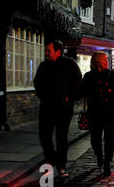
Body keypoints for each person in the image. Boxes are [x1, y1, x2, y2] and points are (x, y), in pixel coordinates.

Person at [34, 40, 82, 178]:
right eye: (46, 51)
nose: (46, 53)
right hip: (47, 108)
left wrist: (69, 97)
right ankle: (53, 159)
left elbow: (78, 83)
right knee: (44, 137)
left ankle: (61, 165)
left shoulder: (70, 64)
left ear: (58, 51)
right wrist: (43, 96)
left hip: (63, 109)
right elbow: (37, 84)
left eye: (49, 50)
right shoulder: (44, 66)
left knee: (61, 138)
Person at [81, 52, 114, 177]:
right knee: (95, 139)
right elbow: (81, 92)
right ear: (98, 61)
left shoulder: (113, 74)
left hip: (110, 112)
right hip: (95, 113)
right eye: (105, 59)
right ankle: (99, 156)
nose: (107, 61)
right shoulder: (88, 76)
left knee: (109, 139)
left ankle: (107, 163)